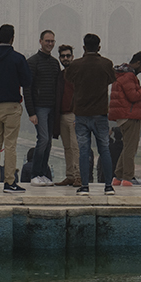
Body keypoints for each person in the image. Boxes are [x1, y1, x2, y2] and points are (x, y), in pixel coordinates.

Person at [0, 24, 32, 193]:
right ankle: (9, 182)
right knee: (10, 145)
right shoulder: (17, 58)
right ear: (12, 38)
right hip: (11, 106)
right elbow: (27, 81)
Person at [64, 33, 117, 196]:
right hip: (100, 113)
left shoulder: (76, 65)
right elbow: (110, 80)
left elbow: (69, 78)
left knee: (84, 150)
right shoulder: (106, 64)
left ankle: (85, 186)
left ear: (84, 48)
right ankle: (108, 186)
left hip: (81, 114)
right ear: (99, 47)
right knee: (105, 150)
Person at [109, 52, 141, 186]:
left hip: (123, 115)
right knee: (131, 149)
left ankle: (118, 176)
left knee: (127, 147)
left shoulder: (122, 73)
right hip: (129, 115)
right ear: (138, 63)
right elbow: (133, 96)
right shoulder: (129, 76)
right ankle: (128, 178)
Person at [24, 30, 62, 185]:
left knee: (48, 142)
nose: (50, 44)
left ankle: (42, 174)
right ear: (40, 41)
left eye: (52, 41)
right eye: (47, 41)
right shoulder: (32, 62)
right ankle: (35, 174)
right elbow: (27, 88)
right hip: (40, 107)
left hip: (52, 107)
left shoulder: (54, 63)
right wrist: (31, 112)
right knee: (43, 139)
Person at [56, 44, 79, 186]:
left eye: (68, 56)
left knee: (76, 147)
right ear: (59, 58)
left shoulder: (77, 73)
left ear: (72, 57)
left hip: (75, 115)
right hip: (63, 115)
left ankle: (78, 176)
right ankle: (70, 175)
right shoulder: (60, 75)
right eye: (63, 56)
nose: (65, 58)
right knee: (67, 147)